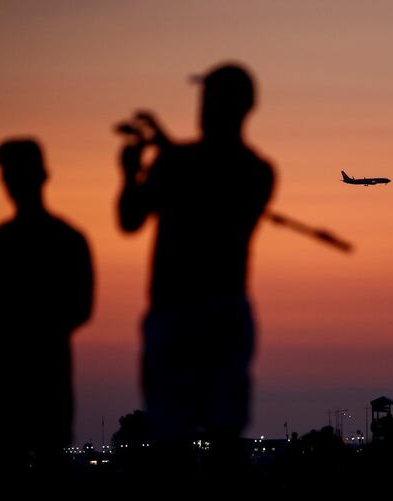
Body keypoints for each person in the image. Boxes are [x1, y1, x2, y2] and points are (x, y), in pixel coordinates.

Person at [115, 63, 275, 471]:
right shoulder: (258, 172)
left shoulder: (179, 164)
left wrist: (131, 172)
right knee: (224, 435)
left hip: (176, 311)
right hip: (225, 310)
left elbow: (130, 218)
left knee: (171, 438)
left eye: (208, 98)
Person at [0, 139, 94, 486]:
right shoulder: (64, 239)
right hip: (35, 384)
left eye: (12, 175)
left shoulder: (4, 240)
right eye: (8, 176)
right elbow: (81, 309)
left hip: (12, 384)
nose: (10, 184)